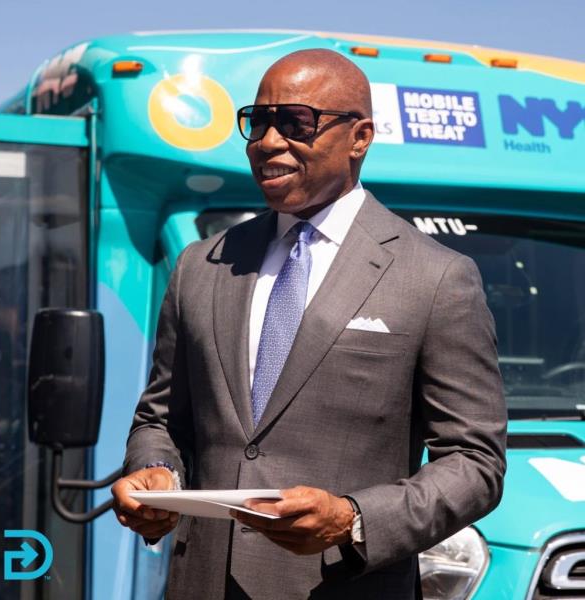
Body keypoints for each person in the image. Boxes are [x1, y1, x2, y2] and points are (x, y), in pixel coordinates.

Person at [111, 48, 507, 599]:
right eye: (259, 122)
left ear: (360, 137)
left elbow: (475, 462)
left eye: (296, 122)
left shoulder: (436, 278)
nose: (268, 143)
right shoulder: (201, 266)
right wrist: (156, 472)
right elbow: (160, 420)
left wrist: (354, 519)